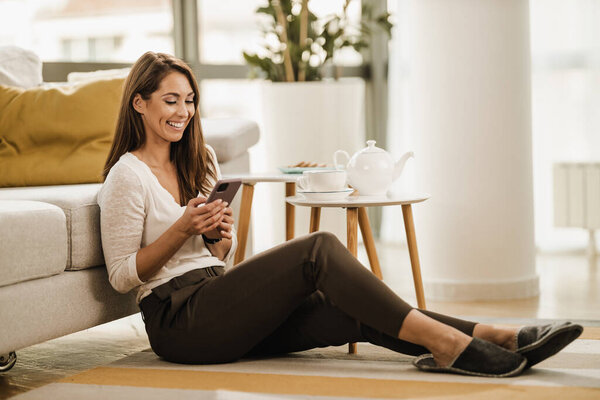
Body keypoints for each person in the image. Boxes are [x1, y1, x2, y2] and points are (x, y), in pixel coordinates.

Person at [97, 52, 582, 378]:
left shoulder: (199, 162)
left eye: (189, 100)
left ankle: (494, 336)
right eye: (170, 100)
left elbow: (222, 257)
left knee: (351, 308)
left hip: (215, 298)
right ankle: (451, 345)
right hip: (179, 323)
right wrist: (183, 226)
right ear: (139, 103)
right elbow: (122, 277)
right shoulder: (127, 176)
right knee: (320, 250)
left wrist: (216, 236)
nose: (183, 111)